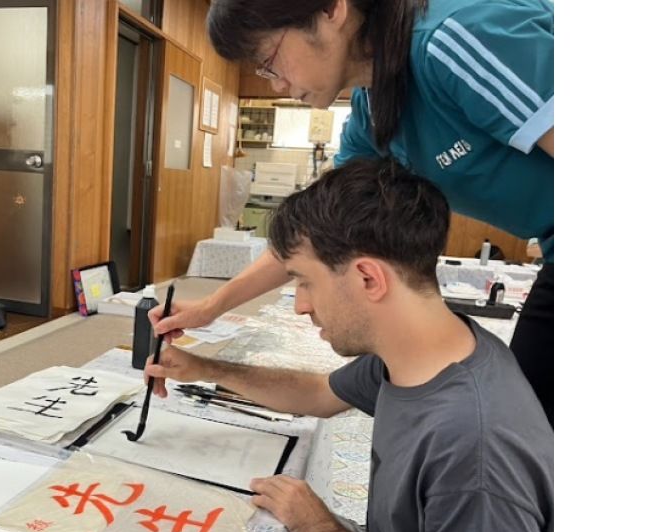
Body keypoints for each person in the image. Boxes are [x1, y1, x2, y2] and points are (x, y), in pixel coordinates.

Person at [145, 158, 553, 532]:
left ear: (367, 278)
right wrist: (203, 368)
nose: (300, 305)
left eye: (305, 282)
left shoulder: (475, 453)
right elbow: (319, 393)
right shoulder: (425, 350)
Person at [151, 0, 555, 426]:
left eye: (269, 60)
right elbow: (312, 232)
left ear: (332, 10)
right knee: (530, 412)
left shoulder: (454, 37)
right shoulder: (372, 111)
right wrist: (211, 307)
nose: (277, 84)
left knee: (523, 419)